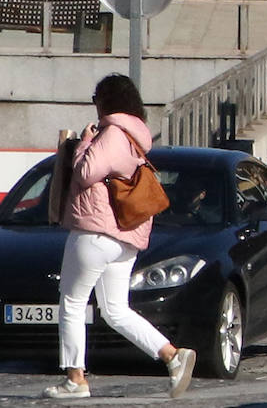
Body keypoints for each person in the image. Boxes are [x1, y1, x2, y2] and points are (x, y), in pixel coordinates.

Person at [44, 74, 196, 399]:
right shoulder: (134, 137)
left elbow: (86, 173)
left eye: (96, 99)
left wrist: (84, 142)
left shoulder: (111, 133)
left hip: (95, 231)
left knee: (71, 303)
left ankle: (75, 380)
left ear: (106, 101)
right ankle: (172, 356)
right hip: (123, 236)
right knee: (114, 309)